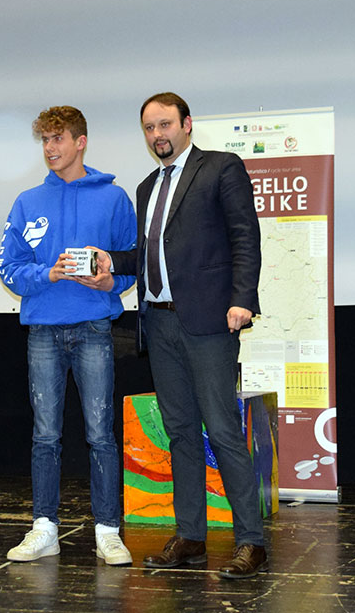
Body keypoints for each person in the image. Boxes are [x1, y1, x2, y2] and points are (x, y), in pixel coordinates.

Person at [82, 92, 267, 578]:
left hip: (210, 322)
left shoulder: (221, 168)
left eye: (165, 124)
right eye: (149, 128)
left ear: (187, 124)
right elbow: (149, 254)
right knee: (180, 431)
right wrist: (111, 261)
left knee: (222, 430)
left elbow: (245, 236)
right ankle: (190, 537)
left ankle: (251, 541)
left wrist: (243, 298)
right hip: (159, 323)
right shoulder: (147, 186)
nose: (157, 135)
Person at [0, 105, 136, 566]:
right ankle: (45, 528)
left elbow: (132, 261)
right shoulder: (27, 202)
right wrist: (48, 274)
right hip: (43, 330)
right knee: (45, 435)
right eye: (45, 140)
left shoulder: (114, 198)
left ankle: (108, 531)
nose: (50, 148)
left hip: (95, 328)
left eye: (58, 139)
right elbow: (8, 268)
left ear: (81, 142)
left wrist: (109, 281)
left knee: (101, 434)